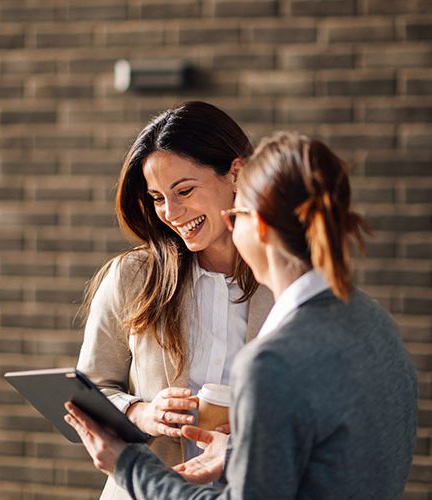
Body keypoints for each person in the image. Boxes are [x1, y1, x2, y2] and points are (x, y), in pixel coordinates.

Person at [66, 131, 418, 499]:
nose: (170, 211)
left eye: (237, 216)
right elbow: (330, 454)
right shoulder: (377, 323)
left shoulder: (270, 361)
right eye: (157, 198)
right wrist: (238, 453)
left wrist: (128, 464)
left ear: (260, 226)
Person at [75, 101, 273, 499]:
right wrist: (142, 413)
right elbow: (89, 392)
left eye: (184, 191)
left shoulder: (283, 284)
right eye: (157, 198)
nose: (171, 212)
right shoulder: (133, 277)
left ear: (236, 174)